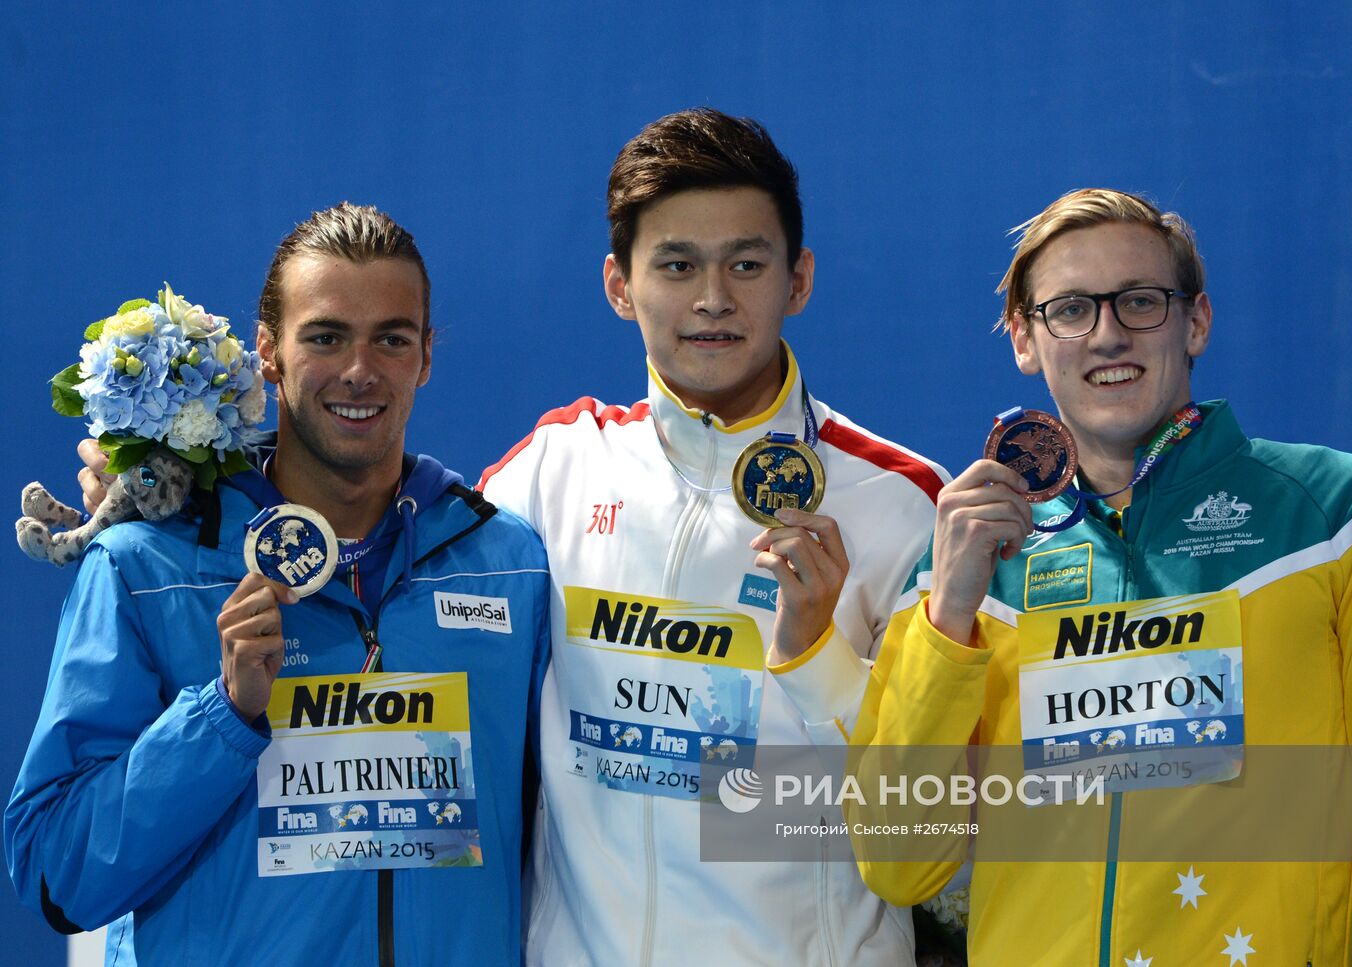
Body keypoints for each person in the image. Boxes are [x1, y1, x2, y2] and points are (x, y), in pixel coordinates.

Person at [850, 189, 1352, 964]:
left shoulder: (1342, 519)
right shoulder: (965, 568)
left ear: (1195, 320)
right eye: (1070, 309)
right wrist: (949, 617)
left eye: (1139, 302)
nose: (1107, 335)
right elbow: (898, 860)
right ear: (1024, 339)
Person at [6, 203, 551, 966]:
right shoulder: (147, 568)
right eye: (325, 336)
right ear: (267, 351)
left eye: (391, 339)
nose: (360, 370)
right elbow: (53, 873)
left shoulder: (507, 562)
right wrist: (222, 716)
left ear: (426, 355)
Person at [476, 109, 948, 964]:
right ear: (620, 285)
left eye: (747, 262)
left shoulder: (902, 502)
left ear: (798, 279)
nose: (713, 298)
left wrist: (821, 666)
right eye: (677, 264)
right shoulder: (548, 475)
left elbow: (929, 819)